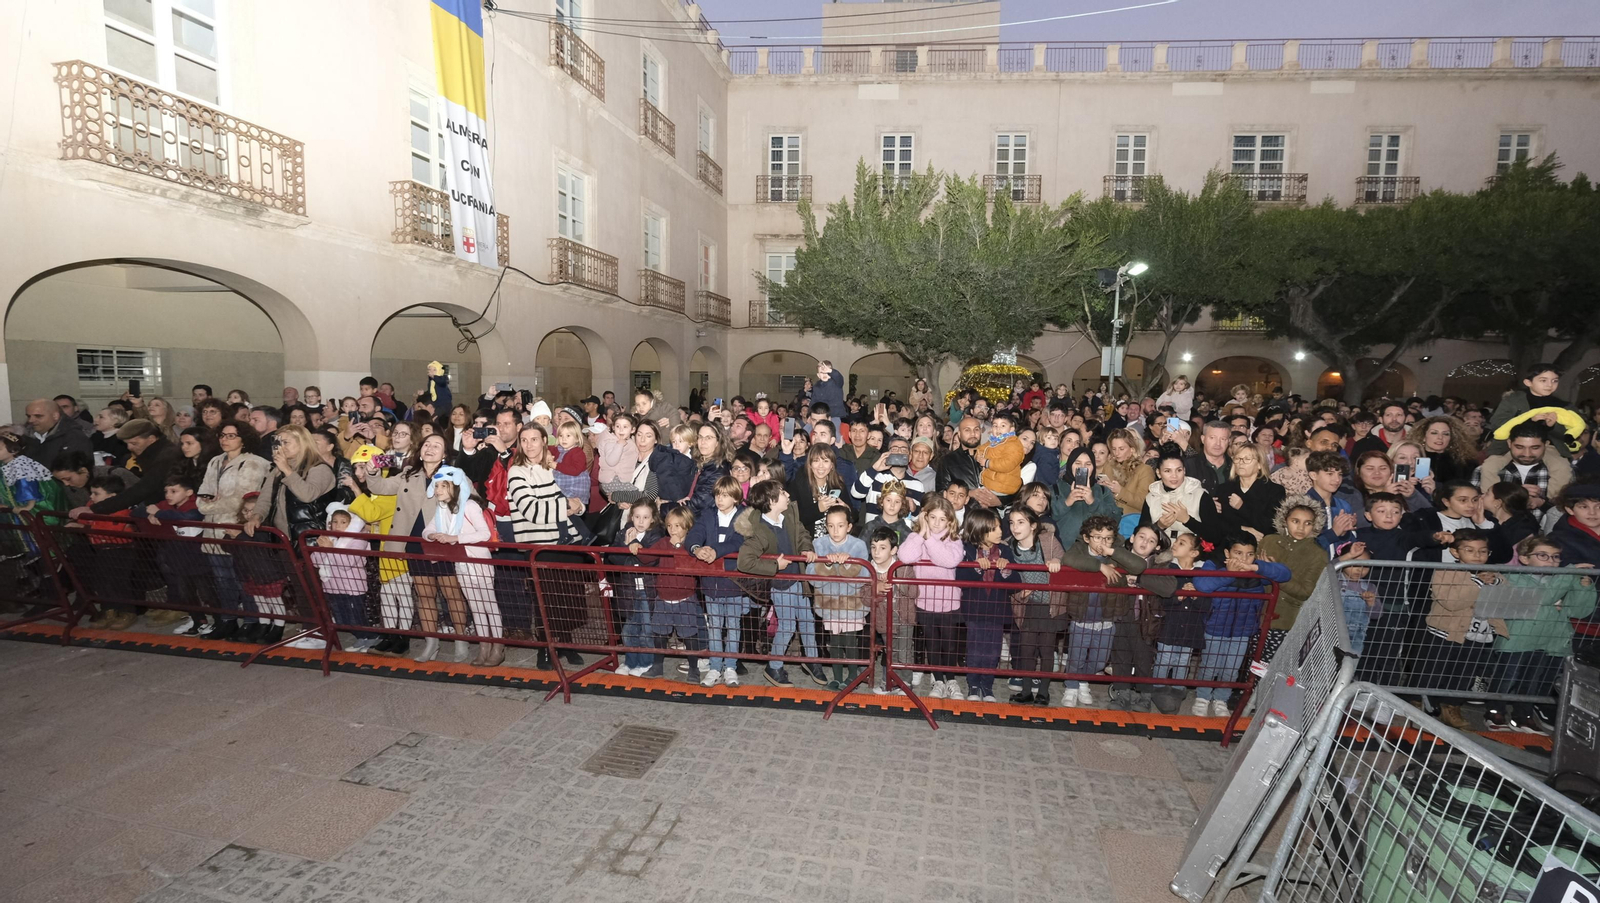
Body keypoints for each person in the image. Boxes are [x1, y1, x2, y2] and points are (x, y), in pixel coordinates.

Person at [1491, 534, 1596, 734]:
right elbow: (1543, 598)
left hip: (1549, 640)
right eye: (1543, 556)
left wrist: (1584, 588)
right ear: (1524, 558)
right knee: (1507, 678)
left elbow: (1578, 611)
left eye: (1555, 557)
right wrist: (1568, 575)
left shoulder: (1561, 579)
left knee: (1533, 681)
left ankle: (1523, 716)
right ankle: (1495, 711)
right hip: (1517, 640)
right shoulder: (1514, 577)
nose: (1551, 561)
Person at [1190, 534, 1289, 717]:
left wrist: (1257, 567)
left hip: (1243, 629)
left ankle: (1221, 699)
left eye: (1249, 554)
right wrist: (1229, 573)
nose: (1243, 559)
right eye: (1238, 553)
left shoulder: (1256, 569)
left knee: (1231, 668)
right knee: (1210, 665)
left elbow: (1285, 574)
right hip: (1215, 626)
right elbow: (1203, 584)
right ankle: (1202, 697)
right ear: (1227, 553)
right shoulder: (1214, 564)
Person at [734, 479, 820, 687]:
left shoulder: (789, 514)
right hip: (781, 585)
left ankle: (812, 660)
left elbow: (802, 533)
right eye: (782, 492)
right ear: (772, 501)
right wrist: (775, 565)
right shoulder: (759, 530)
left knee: (807, 620)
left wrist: (806, 548)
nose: (788, 495)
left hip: (798, 579)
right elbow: (744, 561)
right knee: (788, 626)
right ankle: (774, 666)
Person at [423, 466, 502, 667]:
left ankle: (498, 646)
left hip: (479, 561)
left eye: (443, 486)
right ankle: (484, 646)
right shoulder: (442, 509)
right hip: (461, 564)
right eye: (436, 486)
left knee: (489, 605)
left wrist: (455, 538)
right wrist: (433, 535)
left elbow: (484, 533)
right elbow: (427, 530)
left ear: (455, 486)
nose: (438, 490)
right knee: (475, 607)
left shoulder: (469, 506)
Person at [1422, 529, 1501, 729]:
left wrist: (1496, 583)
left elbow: (1504, 597)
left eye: (1483, 551)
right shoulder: (1446, 571)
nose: (1477, 556)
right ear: (1455, 552)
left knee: (1464, 673)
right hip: (1446, 632)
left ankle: (1452, 706)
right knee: (1435, 670)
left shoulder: (1494, 574)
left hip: (1478, 634)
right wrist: (1478, 583)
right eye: (1470, 550)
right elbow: (1452, 602)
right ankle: (1424, 703)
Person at [897, 494, 965, 700]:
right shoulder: (916, 537)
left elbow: (948, 560)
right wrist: (921, 535)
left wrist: (928, 539)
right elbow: (905, 556)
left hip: (948, 602)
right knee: (932, 643)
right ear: (925, 517)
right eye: (932, 517)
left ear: (949, 522)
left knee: (949, 644)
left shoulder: (954, 540)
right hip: (925, 601)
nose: (936, 523)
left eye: (942, 519)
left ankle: (951, 680)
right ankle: (938, 680)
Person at [686, 476, 748, 687]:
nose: (720, 499)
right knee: (714, 627)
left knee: (733, 626)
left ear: (736, 497)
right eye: (718, 495)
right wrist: (696, 548)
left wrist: (715, 551)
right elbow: (695, 533)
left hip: (733, 582)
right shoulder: (708, 514)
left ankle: (730, 667)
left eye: (725, 495)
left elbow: (738, 541)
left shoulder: (744, 516)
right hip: (711, 582)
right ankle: (714, 667)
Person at [953, 507, 1016, 703]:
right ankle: (973, 684)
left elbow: (1016, 583)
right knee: (974, 647)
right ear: (980, 530)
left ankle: (987, 685)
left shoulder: (1005, 551)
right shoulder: (968, 550)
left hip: (997, 609)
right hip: (974, 609)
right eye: (994, 528)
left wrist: (1006, 570)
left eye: (1000, 527)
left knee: (993, 649)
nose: (1000, 531)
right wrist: (976, 568)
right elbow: (959, 578)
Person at [1257, 497, 1330, 661]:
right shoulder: (1269, 541)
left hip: (1285, 620)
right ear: (1285, 520)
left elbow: (1305, 592)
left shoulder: (1318, 554)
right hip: (1256, 615)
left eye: (1308, 523)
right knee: (1250, 663)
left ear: (1315, 525)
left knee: (1271, 666)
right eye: (1295, 521)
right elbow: (1253, 574)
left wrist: (1274, 573)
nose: (1301, 528)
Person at [809, 507, 871, 691]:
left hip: (852, 605)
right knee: (834, 642)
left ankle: (852, 676)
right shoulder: (818, 544)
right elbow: (811, 575)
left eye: (840, 526)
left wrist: (849, 563)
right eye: (831, 526)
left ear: (849, 526)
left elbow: (865, 575)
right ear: (826, 526)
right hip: (829, 604)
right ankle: (836, 677)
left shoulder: (858, 545)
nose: (835, 531)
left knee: (850, 642)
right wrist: (826, 564)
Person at [263, 424, 334, 540]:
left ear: (302, 443)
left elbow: (307, 495)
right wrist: (257, 516)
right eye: (278, 443)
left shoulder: (319, 468)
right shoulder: (278, 469)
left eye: (285, 442)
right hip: (282, 537)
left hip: (311, 538)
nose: (281, 447)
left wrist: (287, 470)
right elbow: (266, 496)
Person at [1141, 444, 1218, 546]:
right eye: (1167, 471)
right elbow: (1140, 533)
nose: (1174, 476)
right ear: (1158, 473)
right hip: (1160, 549)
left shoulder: (1200, 495)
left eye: (1179, 470)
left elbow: (1215, 536)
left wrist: (1187, 520)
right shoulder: (1151, 497)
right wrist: (1159, 526)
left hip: (1192, 551)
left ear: (1184, 471)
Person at [1216, 444, 1286, 541]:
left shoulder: (1274, 491)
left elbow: (1270, 525)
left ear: (1259, 464)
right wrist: (1242, 529)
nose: (1241, 463)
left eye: (1247, 459)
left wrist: (1242, 507)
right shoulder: (1224, 489)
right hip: (1230, 543)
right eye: (1237, 459)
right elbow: (1218, 524)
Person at [1100, 429, 1155, 519]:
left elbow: (1143, 503)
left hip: (1131, 521)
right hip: (1108, 519)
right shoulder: (1108, 466)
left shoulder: (1144, 470)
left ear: (1132, 449)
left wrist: (1120, 492)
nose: (1117, 453)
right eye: (1114, 449)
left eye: (1121, 449)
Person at [1409, 416, 1478, 486]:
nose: (1440, 437)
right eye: (1434, 433)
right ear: (1424, 436)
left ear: (1451, 438)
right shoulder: (1411, 459)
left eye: (1446, 434)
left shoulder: (1464, 463)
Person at [23, 398, 92, 468]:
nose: (31, 420)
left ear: (55, 416)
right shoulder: (26, 437)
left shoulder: (75, 438)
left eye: (38, 416)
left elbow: (74, 470)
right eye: (28, 416)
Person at [976, 410, 1026, 501]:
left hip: (1003, 486)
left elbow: (1007, 464)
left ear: (1011, 429)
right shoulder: (993, 441)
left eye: (1003, 426)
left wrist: (987, 463)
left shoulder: (1014, 444)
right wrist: (978, 456)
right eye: (995, 426)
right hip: (991, 483)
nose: (998, 429)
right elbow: (981, 449)